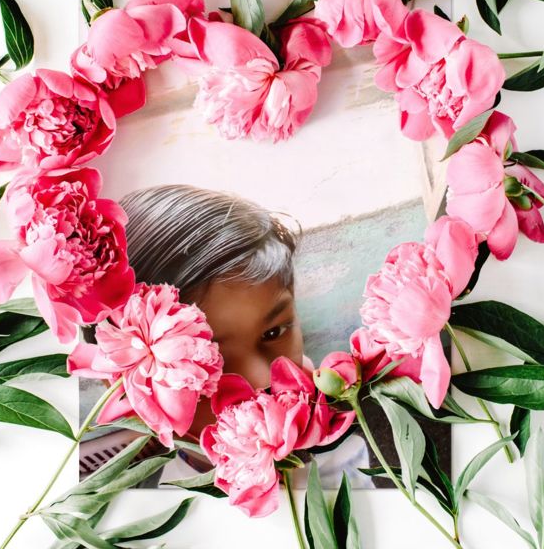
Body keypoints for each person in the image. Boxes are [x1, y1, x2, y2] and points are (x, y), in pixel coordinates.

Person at [79, 183, 372, 488]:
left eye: (273, 332)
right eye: (211, 359)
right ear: (123, 386)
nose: (261, 380)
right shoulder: (162, 503)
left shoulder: (342, 441)